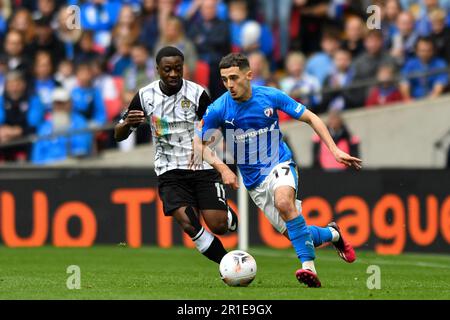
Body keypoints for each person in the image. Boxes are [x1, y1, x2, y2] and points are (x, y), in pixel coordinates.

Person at [194, 53, 361, 287]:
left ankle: (308, 267)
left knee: (284, 202)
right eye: (224, 80)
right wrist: (222, 168)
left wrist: (334, 150)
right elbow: (198, 143)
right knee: (297, 234)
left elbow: (311, 118)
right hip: (254, 183)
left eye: (234, 77)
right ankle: (334, 234)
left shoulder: (270, 96)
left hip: (279, 163)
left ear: (249, 75)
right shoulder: (219, 108)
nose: (229, 85)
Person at [114, 46, 238, 266]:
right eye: (167, 69)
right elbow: (118, 135)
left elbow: (214, 128)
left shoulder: (197, 93)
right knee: (189, 223)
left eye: (177, 69)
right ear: (157, 70)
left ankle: (226, 216)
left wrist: (208, 148)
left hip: (201, 167)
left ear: (183, 68)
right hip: (169, 171)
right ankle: (227, 263)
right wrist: (126, 124)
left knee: (218, 225)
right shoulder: (144, 96)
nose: (173, 74)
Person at [31, 87, 93, 164]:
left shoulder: (80, 123)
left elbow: (82, 149)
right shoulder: (45, 126)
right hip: (47, 169)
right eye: (56, 103)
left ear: (70, 103)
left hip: (72, 167)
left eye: (62, 103)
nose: (59, 106)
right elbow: (37, 156)